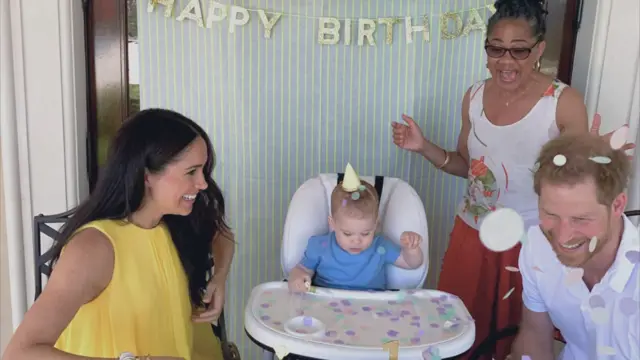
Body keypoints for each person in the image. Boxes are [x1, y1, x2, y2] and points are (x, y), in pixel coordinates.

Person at [391, 0, 591, 358]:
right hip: (473, 237)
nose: (506, 61)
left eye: (519, 51)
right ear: (486, 49)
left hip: (531, 243)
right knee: (457, 335)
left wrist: (596, 161)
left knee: (521, 341)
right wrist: (423, 147)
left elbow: (579, 183)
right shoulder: (474, 96)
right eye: (496, 49)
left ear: (539, 50)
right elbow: (467, 166)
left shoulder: (563, 102)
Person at [3, 109, 235, 360]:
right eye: (191, 172)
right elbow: (19, 353)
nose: (202, 183)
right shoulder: (93, 248)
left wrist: (219, 277)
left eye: (203, 170)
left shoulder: (175, 220)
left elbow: (222, 234)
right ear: (147, 175)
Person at [511, 133, 638, 360]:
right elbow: (534, 334)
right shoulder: (537, 246)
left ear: (617, 205)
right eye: (550, 214)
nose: (563, 236)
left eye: (580, 219)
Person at [287, 164, 423, 292]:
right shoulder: (320, 246)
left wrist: (411, 249)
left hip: (370, 308)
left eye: (365, 233)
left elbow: (411, 263)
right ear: (332, 223)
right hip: (327, 306)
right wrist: (297, 277)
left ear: (376, 225)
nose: (356, 240)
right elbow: (302, 269)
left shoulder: (381, 248)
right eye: (347, 233)